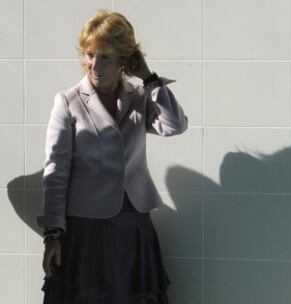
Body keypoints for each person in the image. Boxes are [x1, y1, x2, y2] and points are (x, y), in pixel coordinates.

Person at [36, 9, 188, 304]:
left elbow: (174, 126)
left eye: (105, 56)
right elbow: (56, 170)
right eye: (90, 54)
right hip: (86, 225)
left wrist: (148, 77)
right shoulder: (68, 102)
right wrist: (53, 232)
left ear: (123, 59)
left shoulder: (139, 96)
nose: (94, 64)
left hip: (134, 222)